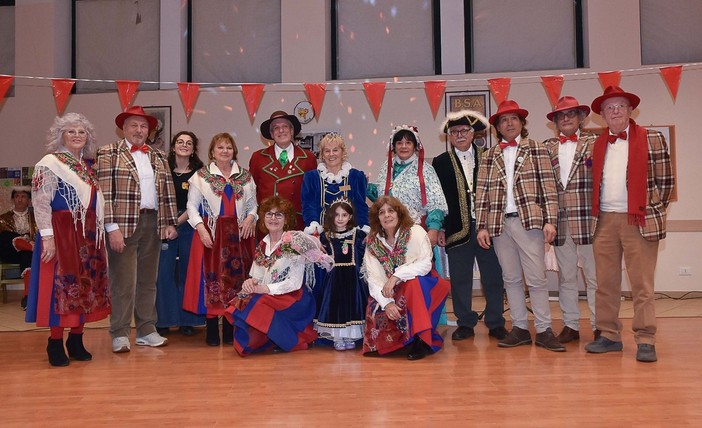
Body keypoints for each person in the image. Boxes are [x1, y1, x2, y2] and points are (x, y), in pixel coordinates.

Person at [584, 86, 674, 363]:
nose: (615, 112)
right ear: (602, 115)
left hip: (639, 219)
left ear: (630, 110)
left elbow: (666, 182)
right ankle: (609, 335)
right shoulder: (595, 143)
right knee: (605, 284)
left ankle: (646, 339)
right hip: (604, 221)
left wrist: (649, 208)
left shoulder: (652, 138)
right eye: (609, 108)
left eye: (620, 106)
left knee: (642, 284)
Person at [474, 99, 564, 352]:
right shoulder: (489, 155)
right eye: (504, 120)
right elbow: (481, 193)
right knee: (511, 279)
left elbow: (549, 188)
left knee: (536, 278)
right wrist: (482, 226)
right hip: (499, 224)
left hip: (530, 223)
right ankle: (520, 328)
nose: (509, 123)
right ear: (498, 127)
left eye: (514, 118)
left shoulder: (537, 149)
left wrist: (550, 221)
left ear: (522, 123)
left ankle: (544, 329)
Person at [25, 113, 110, 367]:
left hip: (88, 234)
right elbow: (41, 203)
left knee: (85, 287)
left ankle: (75, 340)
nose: (77, 135)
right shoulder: (49, 163)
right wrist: (47, 238)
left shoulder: (87, 167)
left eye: (82, 132)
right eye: (71, 131)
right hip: (61, 233)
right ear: (60, 135)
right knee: (61, 288)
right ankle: (54, 342)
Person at [96, 105, 178, 353]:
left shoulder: (158, 155)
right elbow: (104, 193)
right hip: (122, 224)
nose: (139, 130)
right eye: (134, 125)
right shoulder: (108, 153)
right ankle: (120, 333)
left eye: (143, 126)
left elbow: (168, 190)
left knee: (148, 280)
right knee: (123, 282)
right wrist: (111, 228)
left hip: (153, 222)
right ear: (123, 128)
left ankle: (146, 330)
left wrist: (170, 221)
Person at [224, 196, 333, 356]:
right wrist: (250, 283)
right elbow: (257, 277)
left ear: (286, 219)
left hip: (294, 298)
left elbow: (294, 283)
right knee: (241, 299)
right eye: (269, 214)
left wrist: (264, 289)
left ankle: (293, 339)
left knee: (257, 301)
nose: (273, 218)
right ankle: (274, 338)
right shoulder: (262, 244)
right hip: (271, 295)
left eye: (278, 214)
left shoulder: (294, 242)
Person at [432, 110, 507, 341]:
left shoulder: (490, 156)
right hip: (457, 228)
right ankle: (465, 322)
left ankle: (496, 322)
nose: (460, 135)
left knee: (493, 277)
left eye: (464, 130)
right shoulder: (440, 162)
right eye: (454, 132)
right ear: (449, 136)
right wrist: (441, 227)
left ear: (473, 133)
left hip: (489, 229)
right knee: (460, 279)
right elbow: (438, 198)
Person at [184, 133, 257, 346]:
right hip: (212, 233)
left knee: (236, 280)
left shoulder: (245, 177)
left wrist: (251, 217)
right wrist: (201, 228)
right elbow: (191, 207)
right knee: (211, 278)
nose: (225, 151)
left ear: (234, 151)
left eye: (228, 147)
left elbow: (253, 204)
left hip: (238, 234)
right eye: (220, 147)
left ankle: (229, 327)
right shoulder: (200, 176)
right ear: (212, 152)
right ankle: (212, 330)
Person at [361, 195, 450, 361]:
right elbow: (373, 278)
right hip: (390, 290)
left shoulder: (415, 232)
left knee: (413, 285)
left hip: (425, 284)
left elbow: (425, 265)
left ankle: (421, 339)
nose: (387, 215)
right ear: (377, 218)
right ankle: (400, 342)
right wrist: (387, 303)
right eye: (381, 212)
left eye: (391, 211)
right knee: (374, 305)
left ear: (399, 213)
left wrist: (396, 276)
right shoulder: (373, 242)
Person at [543, 96, 598, 343]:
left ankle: (600, 327)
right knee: (566, 277)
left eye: (571, 114)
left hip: (590, 221)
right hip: (560, 223)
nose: (566, 119)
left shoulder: (595, 143)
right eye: (561, 115)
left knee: (594, 278)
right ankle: (571, 326)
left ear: (581, 118)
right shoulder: (546, 147)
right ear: (555, 121)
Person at [155, 131, 205, 337]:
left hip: (190, 225)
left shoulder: (200, 173)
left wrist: (176, 223)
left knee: (188, 273)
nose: (184, 145)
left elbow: (197, 204)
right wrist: (167, 223)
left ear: (193, 149)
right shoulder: (161, 169)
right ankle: (164, 320)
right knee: (163, 274)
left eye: (189, 143)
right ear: (174, 146)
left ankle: (188, 320)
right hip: (163, 224)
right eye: (180, 142)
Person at [367, 125, 447, 246]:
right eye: (399, 143)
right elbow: (381, 197)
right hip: (388, 232)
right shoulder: (386, 167)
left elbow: (436, 203)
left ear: (415, 146)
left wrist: (433, 229)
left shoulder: (426, 169)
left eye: (408, 143)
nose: (403, 146)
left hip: (416, 232)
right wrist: (363, 184)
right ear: (394, 146)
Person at [314, 200, 369, 351]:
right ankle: (338, 337)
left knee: (352, 306)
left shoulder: (358, 234)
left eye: (344, 215)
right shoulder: (325, 236)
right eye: (336, 215)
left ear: (350, 217)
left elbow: (365, 253)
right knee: (336, 307)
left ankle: (350, 336)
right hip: (334, 278)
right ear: (331, 216)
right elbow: (321, 256)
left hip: (353, 278)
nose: (340, 218)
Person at [249, 110, 317, 231]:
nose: (281, 131)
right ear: (271, 134)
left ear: (292, 131)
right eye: (276, 128)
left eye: (285, 126)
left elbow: (314, 195)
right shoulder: (258, 157)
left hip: (297, 225)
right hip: (267, 225)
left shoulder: (308, 158)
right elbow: (251, 192)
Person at [301, 132, 369, 234]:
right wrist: (313, 225)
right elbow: (309, 205)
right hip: (320, 234)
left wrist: (363, 229)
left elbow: (360, 206)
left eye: (335, 150)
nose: (331, 154)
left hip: (350, 234)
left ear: (343, 152)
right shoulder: (311, 177)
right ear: (322, 154)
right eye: (327, 151)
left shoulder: (356, 176)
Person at [0, 186, 37, 309]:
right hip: (9, 253)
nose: (20, 199)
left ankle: (27, 297)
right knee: (4, 235)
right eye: (17, 196)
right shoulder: (3, 218)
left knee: (27, 254)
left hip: (27, 254)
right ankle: (28, 246)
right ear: (13, 199)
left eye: (23, 196)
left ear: (29, 201)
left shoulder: (36, 218)